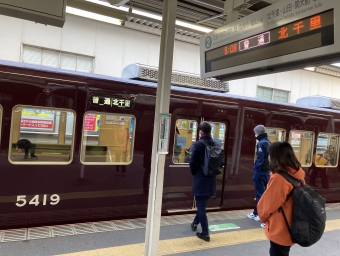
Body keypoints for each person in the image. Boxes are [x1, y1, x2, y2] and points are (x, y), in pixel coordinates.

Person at [258, 141, 305, 256]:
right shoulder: (298, 172)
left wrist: (262, 217)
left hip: (281, 226)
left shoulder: (279, 178)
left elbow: (268, 205)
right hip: (292, 222)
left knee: (277, 252)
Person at [189, 121, 216, 242]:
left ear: (200, 132)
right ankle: (195, 223)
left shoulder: (198, 145)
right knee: (202, 204)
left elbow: (192, 162)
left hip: (201, 179)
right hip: (211, 179)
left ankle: (205, 233)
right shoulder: (216, 144)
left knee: (201, 206)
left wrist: (195, 172)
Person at [247, 125, 271, 228]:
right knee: (262, 194)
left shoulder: (262, 143)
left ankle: (261, 216)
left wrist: (256, 172)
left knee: (259, 195)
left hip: (261, 173)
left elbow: (260, 159)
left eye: (255, 133)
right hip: (267, 171)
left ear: (258, 133)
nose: (254, 134)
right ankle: (256, 212)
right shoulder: (268, 142)